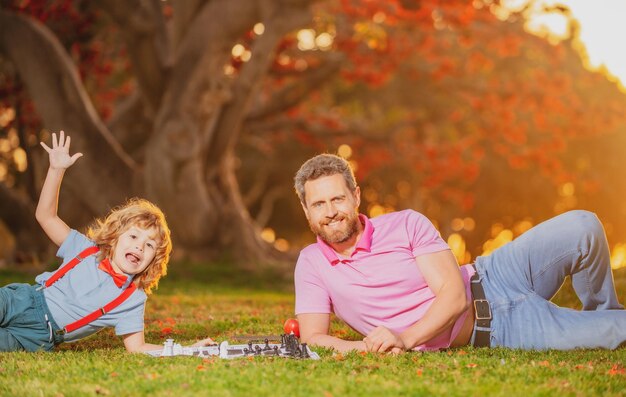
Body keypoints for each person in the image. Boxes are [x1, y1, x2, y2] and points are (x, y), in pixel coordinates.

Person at [293, 153, 626, 353]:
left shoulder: (406, 223)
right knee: (618, 329)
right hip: (498, 327)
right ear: (307, 211)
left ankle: (601, 312)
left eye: (337, 199)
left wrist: (404, 339)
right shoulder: (312, 263)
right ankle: (604, 324)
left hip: (496, 273)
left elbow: (454, 297)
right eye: (318, 204)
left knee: (583, 226)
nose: (331, 211)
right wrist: (364, 347)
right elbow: (313, 337)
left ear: (355, 197)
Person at [0, 131, 214, 352]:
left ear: (154, 260)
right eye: (133, 236)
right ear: (114, 237)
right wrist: (56, 170)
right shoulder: (84, 249)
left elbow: (138, 348)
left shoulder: (132, 299)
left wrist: (188, 350)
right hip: (22, 300)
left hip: (38, 336)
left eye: (149, 245)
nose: (139, 246)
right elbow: (46, 216)